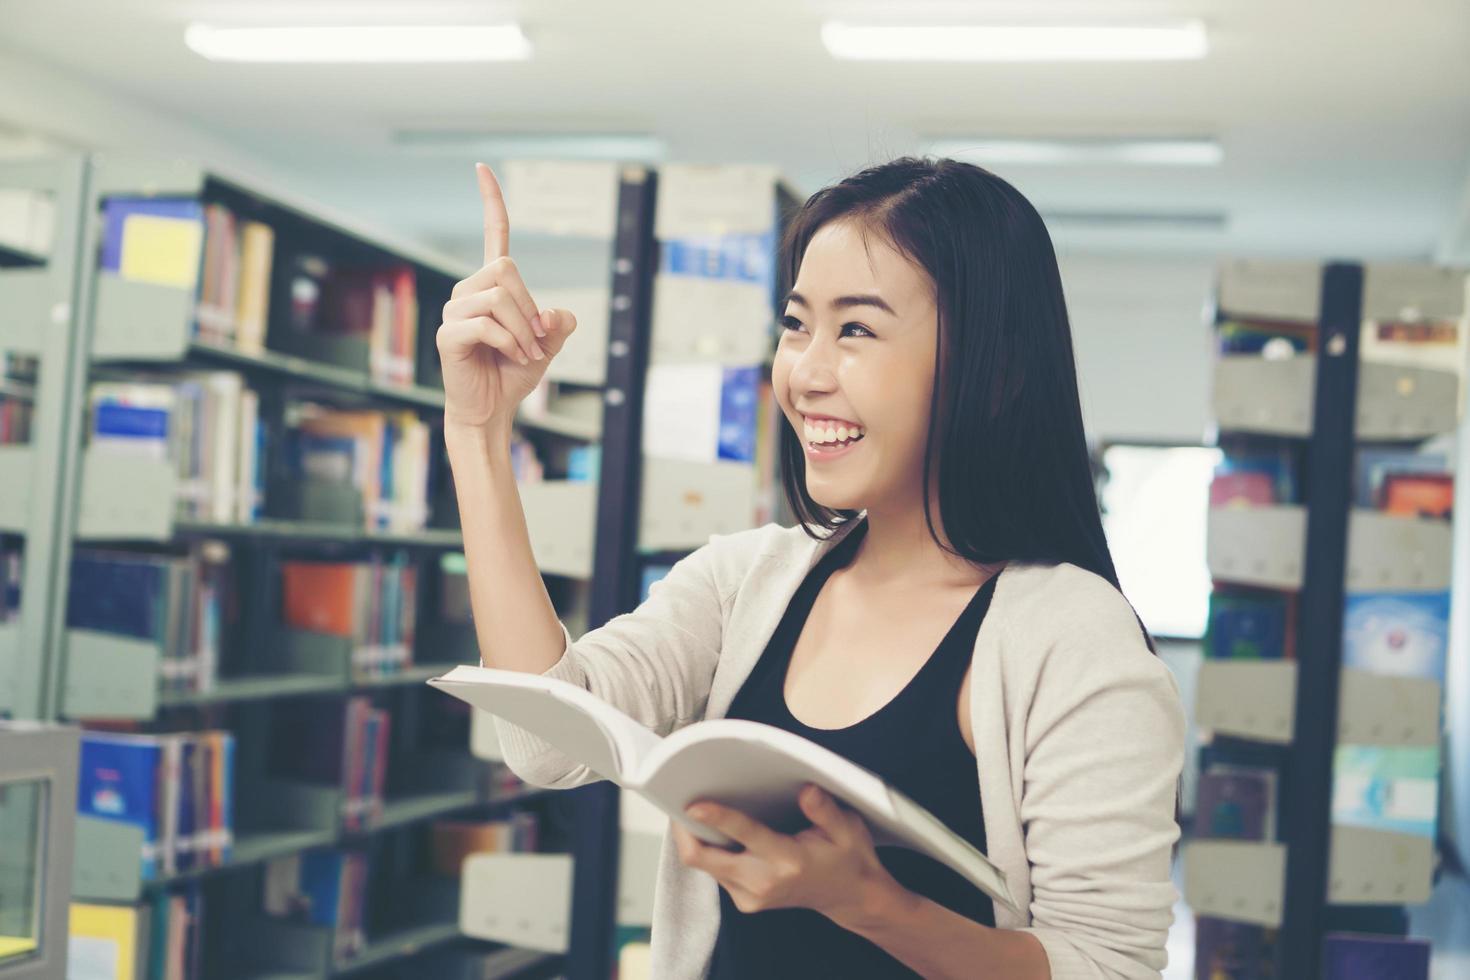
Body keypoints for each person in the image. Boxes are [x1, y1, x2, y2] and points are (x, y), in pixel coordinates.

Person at [439, 157, 1186, 979]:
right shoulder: (746, 581)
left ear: (996, 371)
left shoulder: (1073, 638)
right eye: (797, 325)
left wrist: (869, 905)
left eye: (857, 329)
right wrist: (477, 436)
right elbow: (549, 740)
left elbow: (1109, 969)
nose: (806, 374)